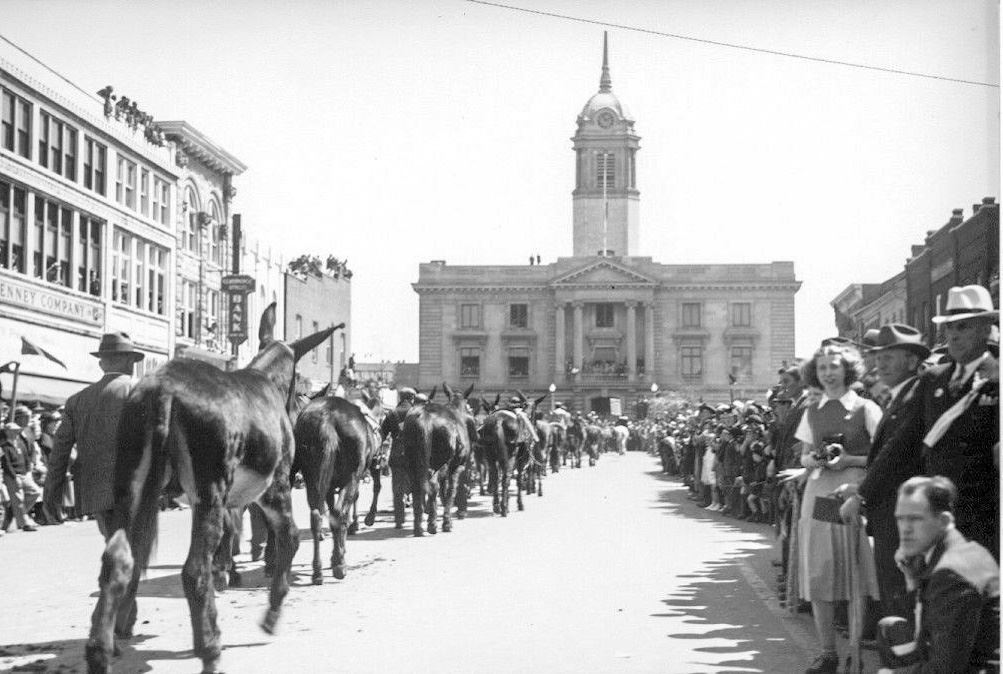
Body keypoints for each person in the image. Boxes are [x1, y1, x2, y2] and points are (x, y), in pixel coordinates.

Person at [796, 342, 882, 673]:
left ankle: (855, 651)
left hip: (852, 491)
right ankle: (827, 651)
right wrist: (815, 458)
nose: (828, 373)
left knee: (854, 569)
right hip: (820, 492)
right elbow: (803, 456)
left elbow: (882, 454)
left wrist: (849, 460)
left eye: (834, 366)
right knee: (820, 570)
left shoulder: (866, 408)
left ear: (847, 369)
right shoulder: (812, 411)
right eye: (822, 368)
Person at [839, 324, 928, 620]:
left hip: (901, 511)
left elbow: (895, 454)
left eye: (889, 357)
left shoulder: (914, 397)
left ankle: (903, 648)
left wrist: (860, 494)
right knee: (894, 591)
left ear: (912, 361)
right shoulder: (899, 397)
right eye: (878, 357)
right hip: (891, 510)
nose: (880, 364)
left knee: (900, 595)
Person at [876, 475, 999, 672]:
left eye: (915, 519)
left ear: (943, 521)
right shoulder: (952, 549)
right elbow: (925, 631)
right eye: (900, 519)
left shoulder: (951, 574)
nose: (905, 529)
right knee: (890, 628)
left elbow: (945, 669)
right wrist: (912, 580)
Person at [918, 284, 999, 560]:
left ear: (986, 330)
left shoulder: (997, 377)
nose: (953, 335)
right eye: (949, 327)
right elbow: (910, 441)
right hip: (939, 515)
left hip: (984, 518)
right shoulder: (933, 379)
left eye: (963, 327)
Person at [45, 332, 143, 539]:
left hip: (95, 488)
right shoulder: (141, 391)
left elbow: (59, 454)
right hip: (136, 486)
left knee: (113, 540)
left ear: (101, 364)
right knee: (133, 544)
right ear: (130, 361)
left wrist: (51, 495)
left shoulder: (77, 401)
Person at [1, 420, 41, 531]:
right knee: (18, 499)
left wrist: (28, 470)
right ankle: (25, 524)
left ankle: (15, 511)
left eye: (17, 430)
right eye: (13, 431)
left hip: (23, 474)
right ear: (7, 432)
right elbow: (6, 463)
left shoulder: (20, 443)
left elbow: (26, 457)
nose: (16, 433)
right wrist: (14, 476)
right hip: (12, 475)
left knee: (35, 492)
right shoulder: (4, 446)